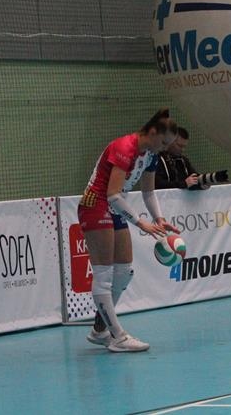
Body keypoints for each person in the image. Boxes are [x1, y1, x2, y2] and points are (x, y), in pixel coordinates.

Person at [78, 108, 180, 352]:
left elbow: (148, 192)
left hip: (114, 206)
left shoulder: (152, 155)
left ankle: (99, 330)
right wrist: (140, 223)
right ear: (152, 132)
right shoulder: (125, 148)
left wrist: (159, 218)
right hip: (96, 204)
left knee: (124, 272)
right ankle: (118, 337)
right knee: (104, 275)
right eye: (163, 142)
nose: (165, 148)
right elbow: (112, 194)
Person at [156, 127, 228, 190]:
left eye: (184, 147)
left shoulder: (183, 160)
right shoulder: (157, 159)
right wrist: (184, 184)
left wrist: (204, 182)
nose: (182, 150)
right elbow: (158, 184)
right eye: (180, 146)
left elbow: (193, 178)